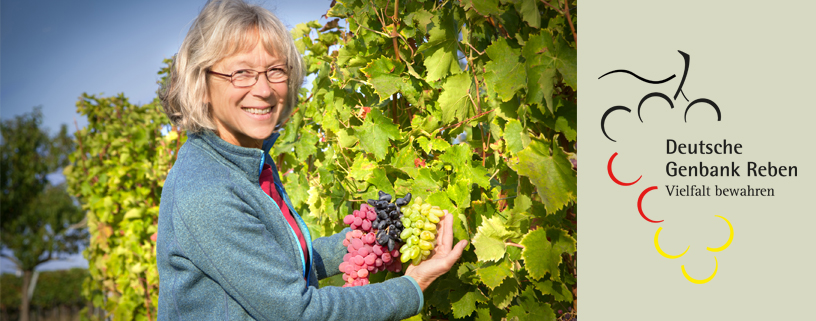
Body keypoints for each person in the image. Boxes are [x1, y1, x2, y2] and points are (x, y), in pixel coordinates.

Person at [156, 0, 468, 320]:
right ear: (202, 84)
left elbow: (282, 264)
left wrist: (377, 237)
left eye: (275, 70)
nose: (263, 89)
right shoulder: (210, 190)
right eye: (241, 72)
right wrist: (413, 284)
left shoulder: (244, 161)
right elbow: (300, 312)